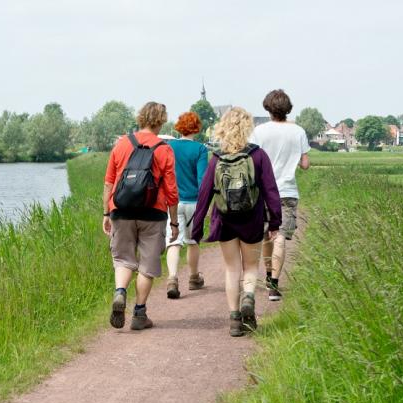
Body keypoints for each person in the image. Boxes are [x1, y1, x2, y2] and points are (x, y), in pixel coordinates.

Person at [191, 107, 281, 337]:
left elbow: (204, 194)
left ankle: (234, 320)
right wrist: (275, 223)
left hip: (224, 220)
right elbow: (271, 191)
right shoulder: (258, 155)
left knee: (231, 269)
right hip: (252, 219)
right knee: (250, 267)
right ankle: (248, 297)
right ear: (247, 128)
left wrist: (197, 227)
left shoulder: (217, 159)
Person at [103, 102, 179, 331]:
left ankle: (120, 292)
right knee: (147, 264)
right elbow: (172, 192)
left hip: (121, 209)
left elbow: (108, 182)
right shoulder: (164, 149)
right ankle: (139, 314)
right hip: (152, 213)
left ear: (140, 118)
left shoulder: (122, 144)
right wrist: (174, 222)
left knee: (124, 259)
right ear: (161, 121)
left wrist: (107, 212)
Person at [249, 90, 310, 301]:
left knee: (267, 235)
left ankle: (267, 275)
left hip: (263, 192)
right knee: (281, 237)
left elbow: (252, 160)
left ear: (268, 107)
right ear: (288, 108)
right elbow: (305, 164)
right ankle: (274, 284)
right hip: (287, 191)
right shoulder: (298, 131)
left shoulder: (259, 131)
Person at [164, 112, 208, 299]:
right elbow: (203, 180)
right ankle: (193, 277)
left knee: (174, 242)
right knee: (192, 241)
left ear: (179, 127)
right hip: (193, 203)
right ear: (196, 128)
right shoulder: (200, 149)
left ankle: (172, 278)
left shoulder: (168, 147)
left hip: (172, 203)